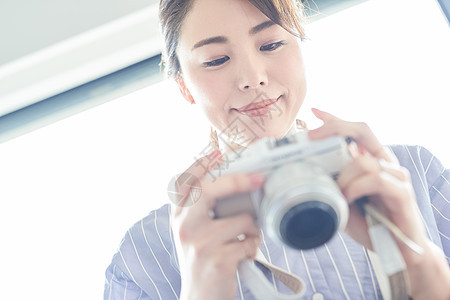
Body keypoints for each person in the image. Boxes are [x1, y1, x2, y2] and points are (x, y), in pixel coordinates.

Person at [104, 0, 450, 299]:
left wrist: (421, 263)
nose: (252, 77)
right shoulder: (142, 259)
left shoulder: (416, 175)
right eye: (216, 59)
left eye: (270, 45)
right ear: (184, 87)